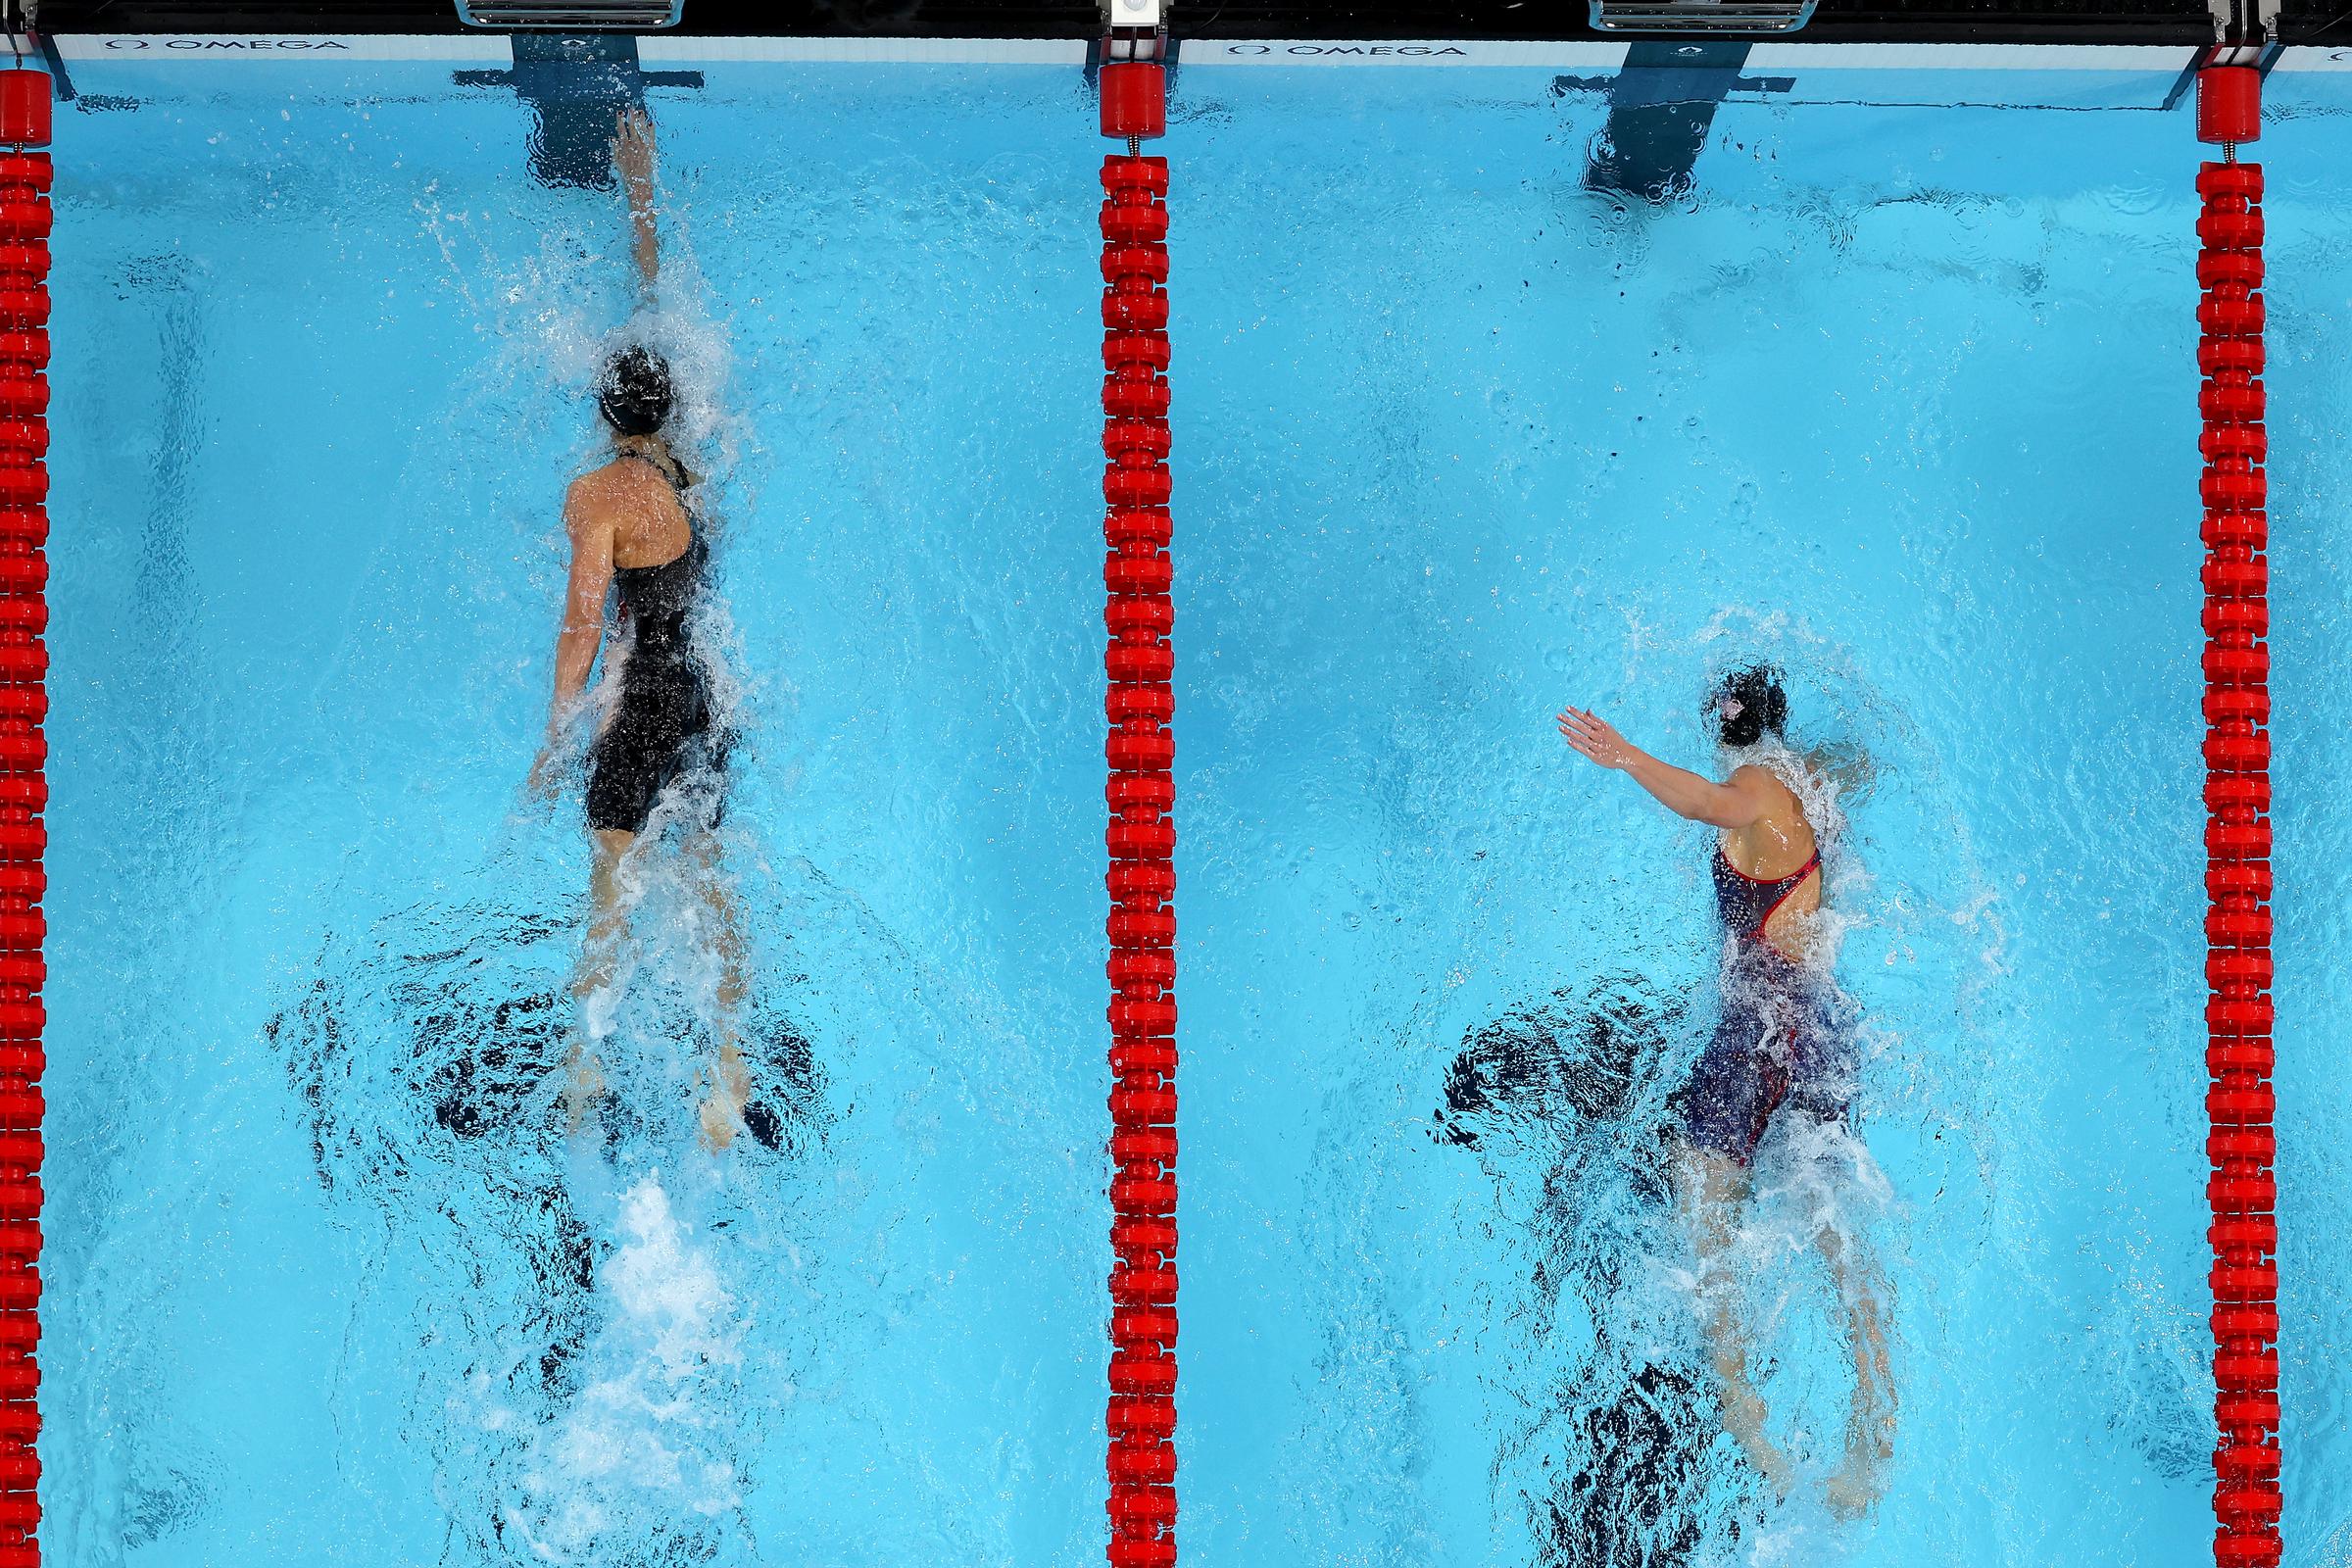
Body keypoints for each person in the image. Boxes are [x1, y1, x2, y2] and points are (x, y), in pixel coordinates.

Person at [1556, 666, 1893, 1516]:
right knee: (1829, 1216)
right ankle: (1873, 1419)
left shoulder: (1751, 788)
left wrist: (1627, 757)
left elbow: (1715, 805)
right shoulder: (1806, 775)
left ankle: (1754, 1432)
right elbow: (1861, 766)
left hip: (1753, 1036)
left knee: (1705, 1213)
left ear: (1724, 721)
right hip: (1817, 1027)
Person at [528, 108, 754, 1153]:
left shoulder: (601, 493)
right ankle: (729, 1074)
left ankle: (581, 1083)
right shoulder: (691, 453)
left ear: (601, 404)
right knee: (705, 883)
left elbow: (582, 623)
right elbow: (654, 297)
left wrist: (555, 733)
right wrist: (640, 191)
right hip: (704, 687)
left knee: (609, 896)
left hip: (642, 704)